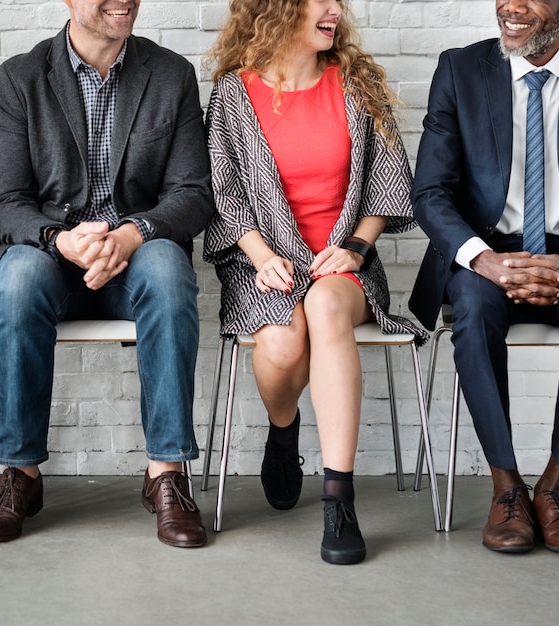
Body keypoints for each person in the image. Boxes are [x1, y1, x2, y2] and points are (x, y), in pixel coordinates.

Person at [203, 0, 426, 564]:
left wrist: (354, 248)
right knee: (281, 339)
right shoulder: (233, 93)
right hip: (263, 259)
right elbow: (222, 193)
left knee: (324, 307)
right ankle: (284, 431)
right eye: (318, 0)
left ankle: (338, 498)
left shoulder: (356, 82)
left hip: (342, 263)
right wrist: (257, 254)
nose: (333, 10)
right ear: (277, 10)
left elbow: (389, 179)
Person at [0, 0, 214, 548]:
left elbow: (193, 194)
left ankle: (166, 474)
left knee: (168, 269)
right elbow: (6, 200)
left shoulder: (171, 75)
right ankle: (21, 472)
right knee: (16, 277)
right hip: (53, 256)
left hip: (137, 254)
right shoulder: (19, 79)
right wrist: (61, 239)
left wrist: (131, 233)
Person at [410, 0, 559, 554]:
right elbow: (430, 191)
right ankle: (506, 487)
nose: (511, 5)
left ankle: (555, 485)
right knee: (475, 309)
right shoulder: (459, 69)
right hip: (486, 247)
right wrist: (485, 260)